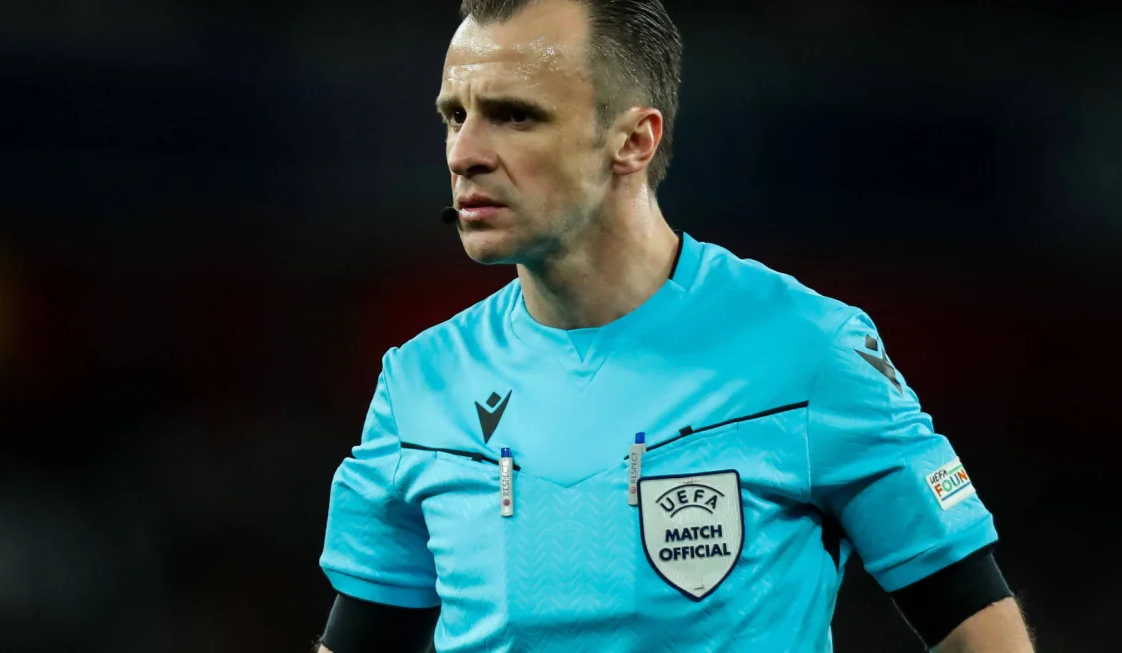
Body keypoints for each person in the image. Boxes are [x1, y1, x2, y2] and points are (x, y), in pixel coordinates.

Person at [316, 0, 1035, 651]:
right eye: (453, 114)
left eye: (515, 115)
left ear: (633, 140)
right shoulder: (418, 385)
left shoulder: (808, 352)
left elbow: (977, 629)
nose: (464, 152)